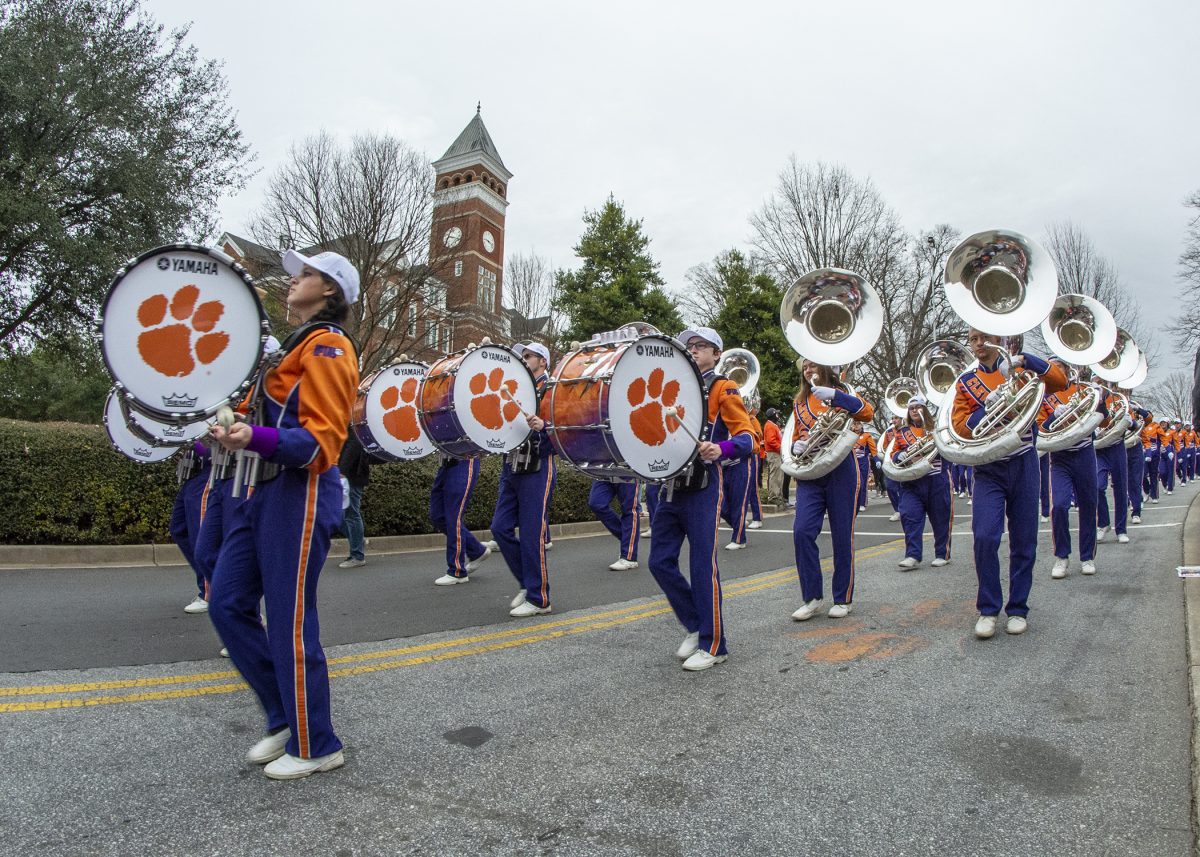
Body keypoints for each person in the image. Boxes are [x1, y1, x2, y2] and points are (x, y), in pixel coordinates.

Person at [207, 248, 360, 780]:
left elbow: (322, 443)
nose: (294, 278)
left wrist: (256, 436)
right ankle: (284, 718)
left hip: (300, 492)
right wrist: (234, 430)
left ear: (330, 292)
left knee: (291, 624)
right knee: (225, 603)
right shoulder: (294, 346)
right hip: (261, 492)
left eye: (307, 274)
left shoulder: (329, 347)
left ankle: (317, 743)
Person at [648, 326, 754, 671]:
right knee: (658, 562)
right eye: (689, 346)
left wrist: (719, 448)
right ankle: (695, 624)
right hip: (669, 484)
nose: (692, 350)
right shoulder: (672, 384)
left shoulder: (723, 387)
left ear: (716, 353)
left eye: (700, 346)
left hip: (704, 485)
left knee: (701, 565)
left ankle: (714, 644)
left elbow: (748, 438)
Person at [950, 329, 1066, 639]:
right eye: (974, 339)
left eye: (985, 337)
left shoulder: (1021, 370)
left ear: (1000, 338)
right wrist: (985, 408)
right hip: (988, 468)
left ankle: (1018, 608)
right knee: (985, 537)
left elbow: (1059, 382)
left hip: (1024, 462)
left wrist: (1028, 360)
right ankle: (988, 608)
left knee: (1024, 540)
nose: (980, 344)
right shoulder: (965, 383)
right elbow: (960, 426)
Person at [788, 360, 875, 622]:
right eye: (805, 367)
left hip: (841, 470)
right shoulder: (800, 402)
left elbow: (867, 413)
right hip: (811, 472)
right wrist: (796, 446)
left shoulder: (844, 391)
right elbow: (795, 435)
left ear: (825, 367)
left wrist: (837, 396)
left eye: (813, 366)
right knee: (802, 531)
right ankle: (812, 596)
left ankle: (842, 598)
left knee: (841, 535)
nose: (809, 371)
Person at [492, 342, 557, 618]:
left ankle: (540, 598)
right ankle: (528, 583)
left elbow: (567, 431)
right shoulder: (516, 388)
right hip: (513, 465)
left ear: (542, 361)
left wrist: (546, 427)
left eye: (527, 356)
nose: (523, 359)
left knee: (532, 535)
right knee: (499, 527)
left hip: (538, 466)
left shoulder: (553, 389)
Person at [1040, 360, 1104, 579]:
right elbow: (1041, 429)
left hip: (1085, 453)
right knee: (1058, 505)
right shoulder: (1043, 396)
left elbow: (1101, 420)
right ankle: (1061, 556)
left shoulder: (1085, 390)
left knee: (1088, 504)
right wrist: (1054, 415)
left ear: (1067, 371)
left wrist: (1100, 398)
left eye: (1058, 370)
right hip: (1059, 457)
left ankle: (1087, 556)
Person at [890, 396, 953, 570]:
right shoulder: (902, 432)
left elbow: (950, 448)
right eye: (912, 408)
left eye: (919, 407)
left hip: (936, 478)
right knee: (910, 515)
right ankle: (912, 555)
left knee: (941, 517)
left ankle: (942, 553)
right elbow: (893, 454)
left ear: (925, 409)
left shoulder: (937, 428)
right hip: (911, 481)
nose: (915, 410)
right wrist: (899, 456)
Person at [431, 455, 491, 585]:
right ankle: (476, 550)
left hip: (464, 459)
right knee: (437, 516)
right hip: (446, 461)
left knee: (454, 516)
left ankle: (457, 571)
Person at [1096, 395, 1147, 546]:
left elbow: (1135, 426)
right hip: (1099, 450)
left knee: (1120, 489)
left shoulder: (1118, 401)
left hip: (1117, 448)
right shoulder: (1088, 399)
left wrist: (1129, 421)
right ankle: (1103, 523)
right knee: (1098, 486)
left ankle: (1121, 529)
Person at [170, 444, 214, 613]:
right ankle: (215, 583)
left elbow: (210, 445)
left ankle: (209, 593)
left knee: (199, 534)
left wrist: (192, 442)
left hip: (211, 471)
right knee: (179, 528)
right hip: (195, 473)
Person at [589, 477, 641, 570]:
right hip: (603, 470)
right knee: (596, 503)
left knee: (629, 510)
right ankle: (628, 538)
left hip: (627, 471)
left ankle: (629, 558)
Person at [336, 430, 371, 568]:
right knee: (339, 515)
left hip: (351, 474)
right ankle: (357, 543)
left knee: (350, 513)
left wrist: (342, 471)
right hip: (344, 472)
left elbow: (354, 443)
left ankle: (357, 556)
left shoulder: (352, 419)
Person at [1126, 397, 1148, 525]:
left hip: (1134, 446)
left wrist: (1138, 410)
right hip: (1117, 445)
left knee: (1135, 480)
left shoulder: (1133, 405)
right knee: (1122, 482)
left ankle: (1136, 512)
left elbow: (1148, 418)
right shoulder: (1109, 401)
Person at [879, 415, 903, 522]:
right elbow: (883, 447)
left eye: (896, 418)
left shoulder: (908, 430)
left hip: (905, 463)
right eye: (892, 418)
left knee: (904, 487)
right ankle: (897, 510)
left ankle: (905, 508)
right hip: (891, 462)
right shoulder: (888, 432)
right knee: (890, 487)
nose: (893, 420)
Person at [852, 423, 875, 512]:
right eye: (855, 424)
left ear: (862, 426)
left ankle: (862, 503)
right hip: (853, 461)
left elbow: (873, 448)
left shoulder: (866, 435)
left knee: (862, 482)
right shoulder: (849, 435)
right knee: (853, 483)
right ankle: (854, 502)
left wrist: (876, 459)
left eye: (858, 424)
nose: (856, 426)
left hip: (863, 462)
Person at [763, 408, 784, 503]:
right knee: (775, 475)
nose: (778, 416)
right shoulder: (770, 426)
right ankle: (773, 497)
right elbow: (771, 441)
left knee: (779, 475)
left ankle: (778, 496)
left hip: (776, 453)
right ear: (773, 415)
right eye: (777, 414)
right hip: (774, 453)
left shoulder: (773, 425)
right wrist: (781, 448)